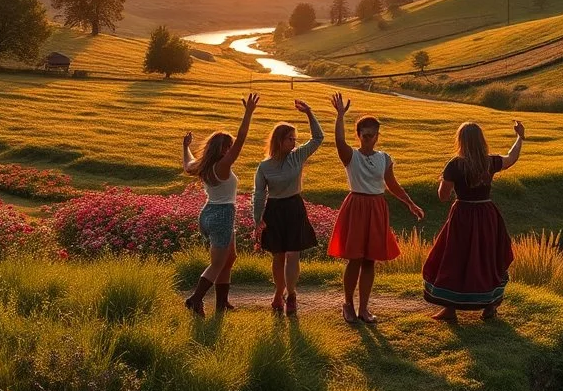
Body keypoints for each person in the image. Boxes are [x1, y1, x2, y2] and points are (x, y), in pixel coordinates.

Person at [327, 92, 425, 324]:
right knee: (355, 258)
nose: (370, 139)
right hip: (357, 206)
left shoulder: (384, 158)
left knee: (370, 260)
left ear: (378, 136)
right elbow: (339, 142)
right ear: (359, 135)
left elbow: (392, 184)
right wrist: (340, 116)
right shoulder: (351, 156)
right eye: (366, 135)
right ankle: (348, 304)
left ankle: (364, 308)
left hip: (377, 207)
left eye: (373, 135)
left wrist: (410, 203)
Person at [423, 120, 524, 322]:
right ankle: (489, 307)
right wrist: (520, 137)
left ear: (461, 141)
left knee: (454, 257)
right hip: (487, 215)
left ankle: (450, 310)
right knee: (487, 258)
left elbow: (443, 196)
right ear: (481, 141)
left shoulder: (454, 165)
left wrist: (443, 180)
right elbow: (511, 158)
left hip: (462, 215)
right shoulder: (490, 162)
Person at [181, 93, 260, 316]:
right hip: (222, 215)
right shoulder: (223, 165)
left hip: (209, 214)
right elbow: (242, 139)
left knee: (229, 257)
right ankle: (194, 300)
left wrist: (185, 146)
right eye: (230, 146)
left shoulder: (203, 165)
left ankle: (222, 303)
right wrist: (248, 113)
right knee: (217, 264)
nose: (232, 149)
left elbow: (187, 164)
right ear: (224, 148)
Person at [253, 99, 323, 315]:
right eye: (290, 139)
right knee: (278, 256)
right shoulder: (264, 166)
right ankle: (278, 293)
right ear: (279, 140)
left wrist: (309, 112)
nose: (294, 142)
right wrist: (257, 219)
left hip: (294, 207)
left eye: (295, 139)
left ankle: (291, 295)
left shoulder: (298, 156)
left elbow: (318, 138)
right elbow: (258, 193)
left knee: (293, 254)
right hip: (274, 210)